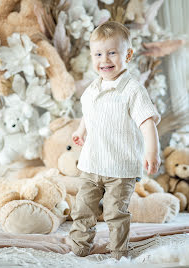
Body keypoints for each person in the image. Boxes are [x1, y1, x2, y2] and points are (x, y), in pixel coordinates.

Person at [69, 21, 161, 260]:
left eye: (112, 53)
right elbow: (89, 113)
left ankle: (119, 252)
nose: (105, 60)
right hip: (91, 163)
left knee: (115, 212)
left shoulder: (132, 90)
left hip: (120, 167)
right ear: (92, 57)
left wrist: (152, 151)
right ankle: (80, 247)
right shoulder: (92, 88)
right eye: (98, 54)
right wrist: (81, 131)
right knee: (82, 208)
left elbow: (147, 122)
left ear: (127, 54)